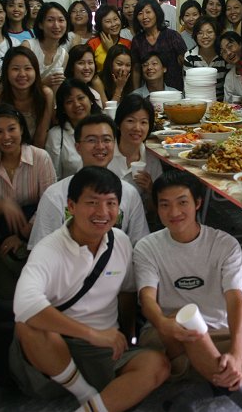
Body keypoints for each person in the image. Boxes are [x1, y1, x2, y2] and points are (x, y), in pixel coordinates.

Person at [134, 170, 242, 408]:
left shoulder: (225, 245)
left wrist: (237, 352)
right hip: (169, 335)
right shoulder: (147, 247)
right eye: (165, 205)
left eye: (182, 203)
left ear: (198, 203)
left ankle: (201, 387)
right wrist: (162, 323)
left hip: (217, 333)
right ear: (157, 208)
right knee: (186, 322)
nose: (174, 213)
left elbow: (235, 299)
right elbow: (147, 298)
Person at [10, 167, 170, 411]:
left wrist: (127, 337)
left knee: (157, 365)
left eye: (111, 203)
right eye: (92, 202)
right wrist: (91, 334)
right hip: (56, 345)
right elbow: (23, 305)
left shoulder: (121, 241)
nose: (102, 212)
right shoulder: (49, 249)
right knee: (28, 324)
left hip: (103, 349)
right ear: (71, 207)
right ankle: (85, 393)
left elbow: (127, 292)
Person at [29, 113, 149, 248]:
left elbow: (140, 246)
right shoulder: (55, 195)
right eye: (91, 140)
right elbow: (40, 249)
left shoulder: (129, 193)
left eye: (106, 140)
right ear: (78, 147)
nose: (100, 146)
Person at [0, 103, 56, 298]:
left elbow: (50, 203)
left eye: (11, 129)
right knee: (7, 297)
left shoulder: (40, 158)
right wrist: (1, 206)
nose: (6, 137)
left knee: (37, 293)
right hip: (3, 236)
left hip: (39, 236)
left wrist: (23, 235)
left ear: (21, 128)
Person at [0, 46, 54, 149]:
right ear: (6, 72)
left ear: (36, 71)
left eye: (28, 68)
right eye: (15, 69)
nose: (22, 74)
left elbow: (41, 138)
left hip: (35, 154)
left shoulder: (46, 95)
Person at [110, 94, 163, 217]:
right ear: (118, 124)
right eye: (130, 121)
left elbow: (156, 211)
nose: (137, 128)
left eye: (143, 122)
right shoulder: (105, 154)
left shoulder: (152, 160)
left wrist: (150, 190)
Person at [46, 79, 101, 180]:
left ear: (91, 100)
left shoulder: (105, 128)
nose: (77, 104)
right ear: (63, 108)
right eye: (69, 101)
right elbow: (53, 177)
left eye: (81, 98)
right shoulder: (56, 136)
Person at [131, 0, 187, 90]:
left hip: (174, 91)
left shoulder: (172, 36)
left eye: (148, 12)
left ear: (157, 13)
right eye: (140, 13)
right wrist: (136, 93)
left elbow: (184, 65)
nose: (144, 17)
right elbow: (136, 70)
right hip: (149, 93)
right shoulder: (137, 40)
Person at [22, 2, 69, 93]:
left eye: (61, 20)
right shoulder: (28, 47)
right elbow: (19, 82)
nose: (56, 25)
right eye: (50, 20)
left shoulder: (64, 55)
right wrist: (43, 83)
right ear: (40, 24)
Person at [184, 16, 228, 101]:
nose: (205, 36)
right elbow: (188, 87)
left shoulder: (223, 56)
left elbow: (228, 86)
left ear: (216, 34)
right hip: (196, 106)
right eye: (200, 33)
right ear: (195, 35)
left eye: (209, 32)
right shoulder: (190, 57)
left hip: (219, 107)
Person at [88, 4, 132, 70]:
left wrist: (111, 49)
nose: (114, 24)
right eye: (108, 21)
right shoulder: (93, 44)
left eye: (115, 19)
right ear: (100, 25)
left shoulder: (127, 44)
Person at [219, 31, 242, 103]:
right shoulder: (229, 77)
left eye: (230, 46)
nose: (228, 53)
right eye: (224, 52)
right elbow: (227, 106)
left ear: (240, 44)